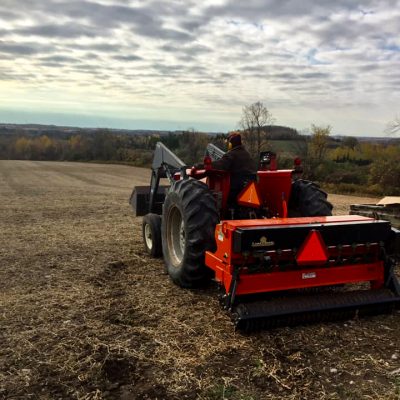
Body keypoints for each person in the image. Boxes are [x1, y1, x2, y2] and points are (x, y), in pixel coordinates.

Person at [199, 132, 257, 205]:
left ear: (230, 145)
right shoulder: (247, 154)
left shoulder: (231, 155)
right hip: (250, 186)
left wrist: (201, 166)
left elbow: (220, 165)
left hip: (235, 188)